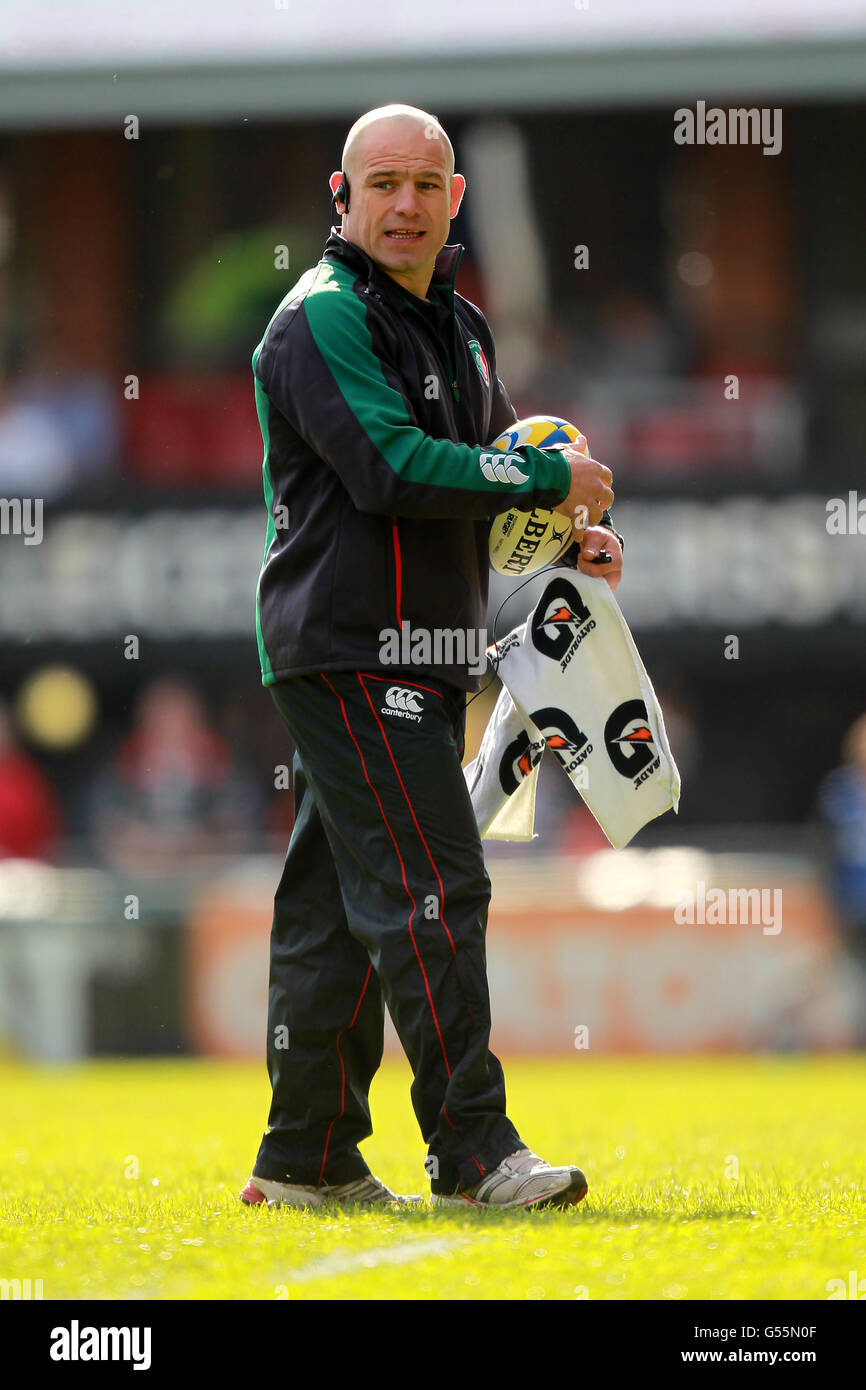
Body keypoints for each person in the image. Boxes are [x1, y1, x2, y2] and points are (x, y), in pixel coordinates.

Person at [240, 104, 622, 1212]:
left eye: (425, 185)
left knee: (334, 909)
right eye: (383, 184)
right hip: (356, 648)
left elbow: (489, 486)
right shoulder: (318, 318)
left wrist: (567, 542)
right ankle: (473, 1150)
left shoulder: (458, 326)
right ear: (341, 196)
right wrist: (547, 483)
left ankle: (303, 1159)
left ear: (456, 199)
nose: (404, 205)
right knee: (431, 889)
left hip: (417, 649)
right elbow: (393, 469)